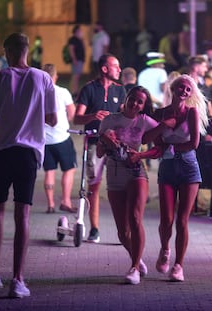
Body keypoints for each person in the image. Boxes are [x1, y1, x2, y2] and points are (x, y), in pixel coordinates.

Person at [0, 33, 57, 298]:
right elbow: (52, 119)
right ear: (27, 50)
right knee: (23, 214)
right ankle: (18, 280)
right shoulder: (43, 78)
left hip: (3, 151)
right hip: (30, 153)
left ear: (7, 52)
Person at [96, 86, 168, 285]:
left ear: (144, 106)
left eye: (140, 102)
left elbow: (161, 146)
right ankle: (137, 258)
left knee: (135, 218)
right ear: (126, 98)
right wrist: (104, 140)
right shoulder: (109, 120)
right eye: (133, 99)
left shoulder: (145, 121)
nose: (135, 104)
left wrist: (141, 155)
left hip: (137, 172)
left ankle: (134, 267)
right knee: (122, 232)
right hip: (114, 174)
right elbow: (99, 153)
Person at [152, 74, 209, 282]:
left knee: (182, 220)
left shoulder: (192, 113)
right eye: (181, 88)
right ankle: (165, 248)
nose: (184, 91)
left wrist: (172, 147)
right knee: (166, 219)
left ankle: (179, 265)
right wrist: (163, 127)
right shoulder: (160, 113)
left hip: (188, 167)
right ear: (172, 89)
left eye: (188, 89)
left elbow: (194, 143)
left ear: (191, 93)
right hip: (167, 168)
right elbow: (156, 143)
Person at [74, 54, 126, 243]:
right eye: (116, 66)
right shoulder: (89, 89)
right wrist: (93, 116)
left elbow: (125, 116)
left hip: (115, 145)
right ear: (104, 69)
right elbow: (77, 118)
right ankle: (94, 229)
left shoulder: (120, 91)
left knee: (120, 188)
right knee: (93, 187)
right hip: (94, 143)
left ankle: (123, 230)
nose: (119, 70)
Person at [42, 64, 77, 214]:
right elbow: (72, 115)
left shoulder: (38, 93)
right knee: (69, 169)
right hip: (62, 137)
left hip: (44, 140)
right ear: (55, 76)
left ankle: (50, 204)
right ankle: (65, 201)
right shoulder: (63, 92)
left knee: (49, 171)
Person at [68, 25, 85, 96]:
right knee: (75, 76)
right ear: (76, 31)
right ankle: (73, 91)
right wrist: (74, 59)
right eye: (79, 31)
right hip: (76, 60)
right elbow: (71, 50)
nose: (81, 32)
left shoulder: (80, 39)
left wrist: (82, 39)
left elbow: (83, 48)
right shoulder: (72, 39)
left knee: (77, 76)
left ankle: (75, 90)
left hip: (80, 60)